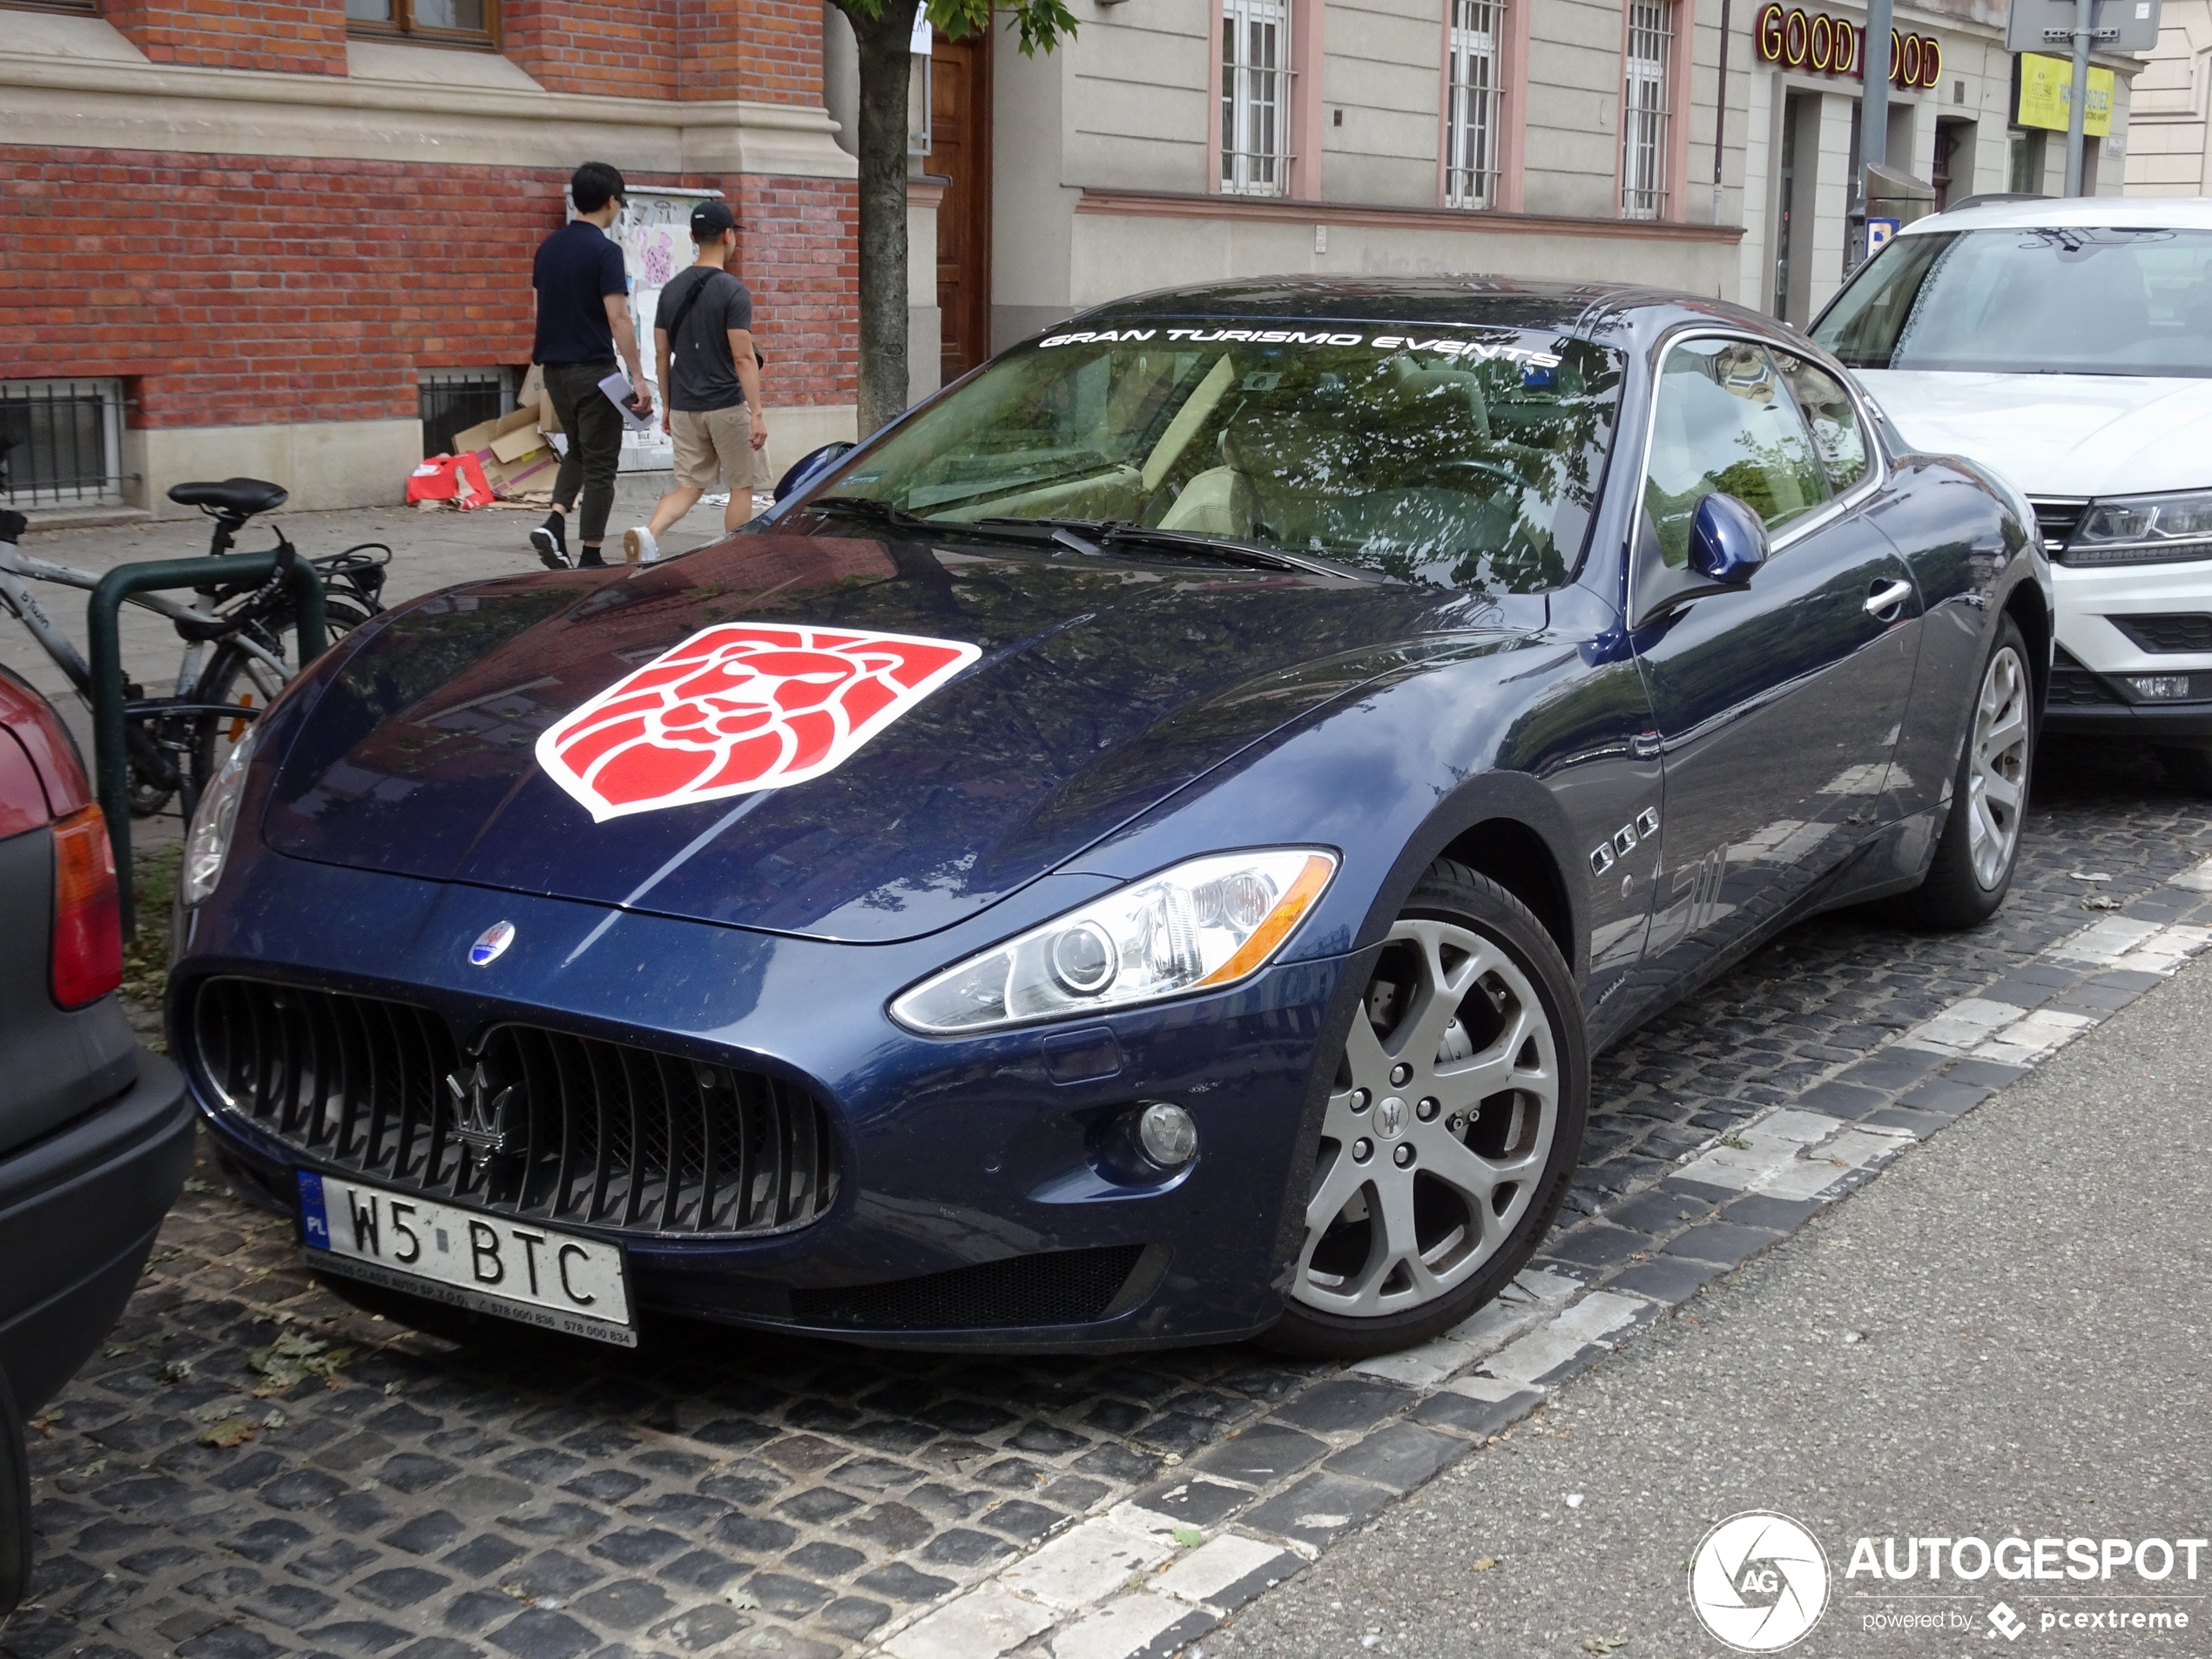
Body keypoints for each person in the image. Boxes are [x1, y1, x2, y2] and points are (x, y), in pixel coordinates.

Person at [621, 199, 767, 564]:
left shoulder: (670, 290)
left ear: (692, 237)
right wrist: (758, 413)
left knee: (689, 486)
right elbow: (743, 357)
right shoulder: (734, 291)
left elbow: (660, 355)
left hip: (685, 405)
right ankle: (736, 557)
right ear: (728, 235)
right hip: (727, 406)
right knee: (741, 485)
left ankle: (649, 535)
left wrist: (668, 406)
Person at [529, 160, 652, 570]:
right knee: (602, 465)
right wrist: (637, 376)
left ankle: (555, 519)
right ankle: (592, 554)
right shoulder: (605, 251)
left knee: (578, 451)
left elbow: (540, 308)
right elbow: (618, 318)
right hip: (594, 371)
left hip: (554, 371)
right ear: (610, 201)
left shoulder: (547, 248)